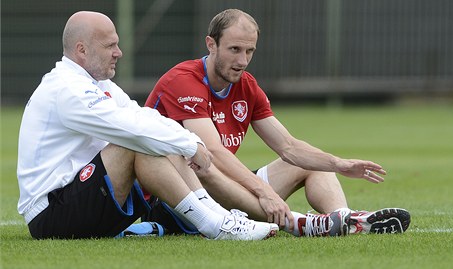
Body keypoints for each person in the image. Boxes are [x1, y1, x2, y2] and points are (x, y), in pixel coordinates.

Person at [143, 8, 411, 237]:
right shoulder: (182, 79)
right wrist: (265, 192)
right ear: (211, 44)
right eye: (234, 49)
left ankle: (345, 220)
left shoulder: (246, 86)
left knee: (310, 160)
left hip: (225, 194)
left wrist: (338, 164)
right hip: (176, 199)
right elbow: (213, 152)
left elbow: (289, 147)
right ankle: (299, 224)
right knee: (202, 162)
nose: (242, 61)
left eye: (249, 51)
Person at [16, 11, 279, 240]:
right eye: (110, 46)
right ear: (82, 50)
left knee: (158, 137)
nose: (118, 52)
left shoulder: (98, 84)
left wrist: (187, 141)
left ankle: (219, 218)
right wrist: (189, 144)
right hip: (51, 214)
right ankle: (216, 224)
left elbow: (141, 115)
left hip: (78, 201)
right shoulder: (67, 88)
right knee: (137, 141)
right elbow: (131, 128)